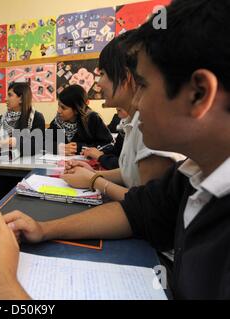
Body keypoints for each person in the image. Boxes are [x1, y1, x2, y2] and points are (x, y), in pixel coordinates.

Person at [0, 0, 230, 300]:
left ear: (199, 94)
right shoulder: (193, 173)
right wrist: (43, 228)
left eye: (142, 86)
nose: (137, 103)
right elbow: (138, 211)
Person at [62, 31, 185, 201]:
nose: (98, 83)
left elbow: (149, 206)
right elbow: (130, 172)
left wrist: (94, 180)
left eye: (102, 74)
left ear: (125, 77)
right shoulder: (132, 121)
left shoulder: (150, 124)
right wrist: (93, 173)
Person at [0, 82, 45, 203]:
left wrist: (13, 142)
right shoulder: (1, 119)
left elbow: (37, 145)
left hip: (25, 172)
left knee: (21, 196)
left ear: (21, 98)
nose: (6, 99)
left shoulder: (37, 118)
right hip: (2, 170)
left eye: (10, 95)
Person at [48, 84, 113, 156]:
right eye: (59, 105)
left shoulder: (92, 119)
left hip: (86, 164)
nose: (58, 111)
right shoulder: (57, 121)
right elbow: (44, 142)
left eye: (63, 108)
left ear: (77, 109)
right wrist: (57, 147)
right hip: (62, 163)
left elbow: (108, 144)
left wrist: (80, 148)